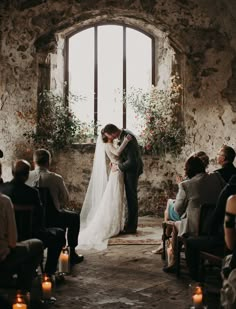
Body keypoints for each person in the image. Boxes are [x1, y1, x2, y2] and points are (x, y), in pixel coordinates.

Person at [0, 159, 66, 276]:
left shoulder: (2, 189)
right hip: (31, 234)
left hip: (8, 237)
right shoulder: (32, 193)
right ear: (27, 175)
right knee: (59, 233)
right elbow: (41, 218)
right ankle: (49, 273)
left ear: (12, 172)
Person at [163, 155, 225, 273]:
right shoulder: (217, 177)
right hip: (217, 225)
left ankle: (174, 262)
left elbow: (177, 209)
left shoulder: (186, 185)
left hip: (195, 228)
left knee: (176, 225)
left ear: (189, 170)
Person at [77, 130, 132, 250]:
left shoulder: (110, 143)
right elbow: (117, 153)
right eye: (110, 134)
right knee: (115, 197)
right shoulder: (107, 145)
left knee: (117, 197)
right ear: (106, 135)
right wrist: (126, 141)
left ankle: (118, 224)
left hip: (117, 170)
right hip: (116, 172)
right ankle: (114, 225)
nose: (113, 135)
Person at [26, 149, 83, 264]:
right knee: (74, 217)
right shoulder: (56, 178)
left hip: (31, 220)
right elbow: (65, 199)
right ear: (49, 162)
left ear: (34, 162)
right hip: (54, 218)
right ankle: (71, 252)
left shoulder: (26, 177)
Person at [102, 124, 143, 234]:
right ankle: (127, 223)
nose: (111, 139)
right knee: (127, 197)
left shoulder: (128, 137)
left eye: (110, 136)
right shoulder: (122, 135)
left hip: (132, 170)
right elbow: (120, 154)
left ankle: (131, 227)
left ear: (113, 133)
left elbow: (132, 161)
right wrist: (114, 161)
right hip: (127, 169)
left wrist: (118, 166)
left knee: (131, 198)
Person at [0, 192, 43, 291]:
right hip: (2, 257)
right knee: (37, 245)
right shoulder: (4, 201)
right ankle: (22, 291)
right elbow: (12, 242)